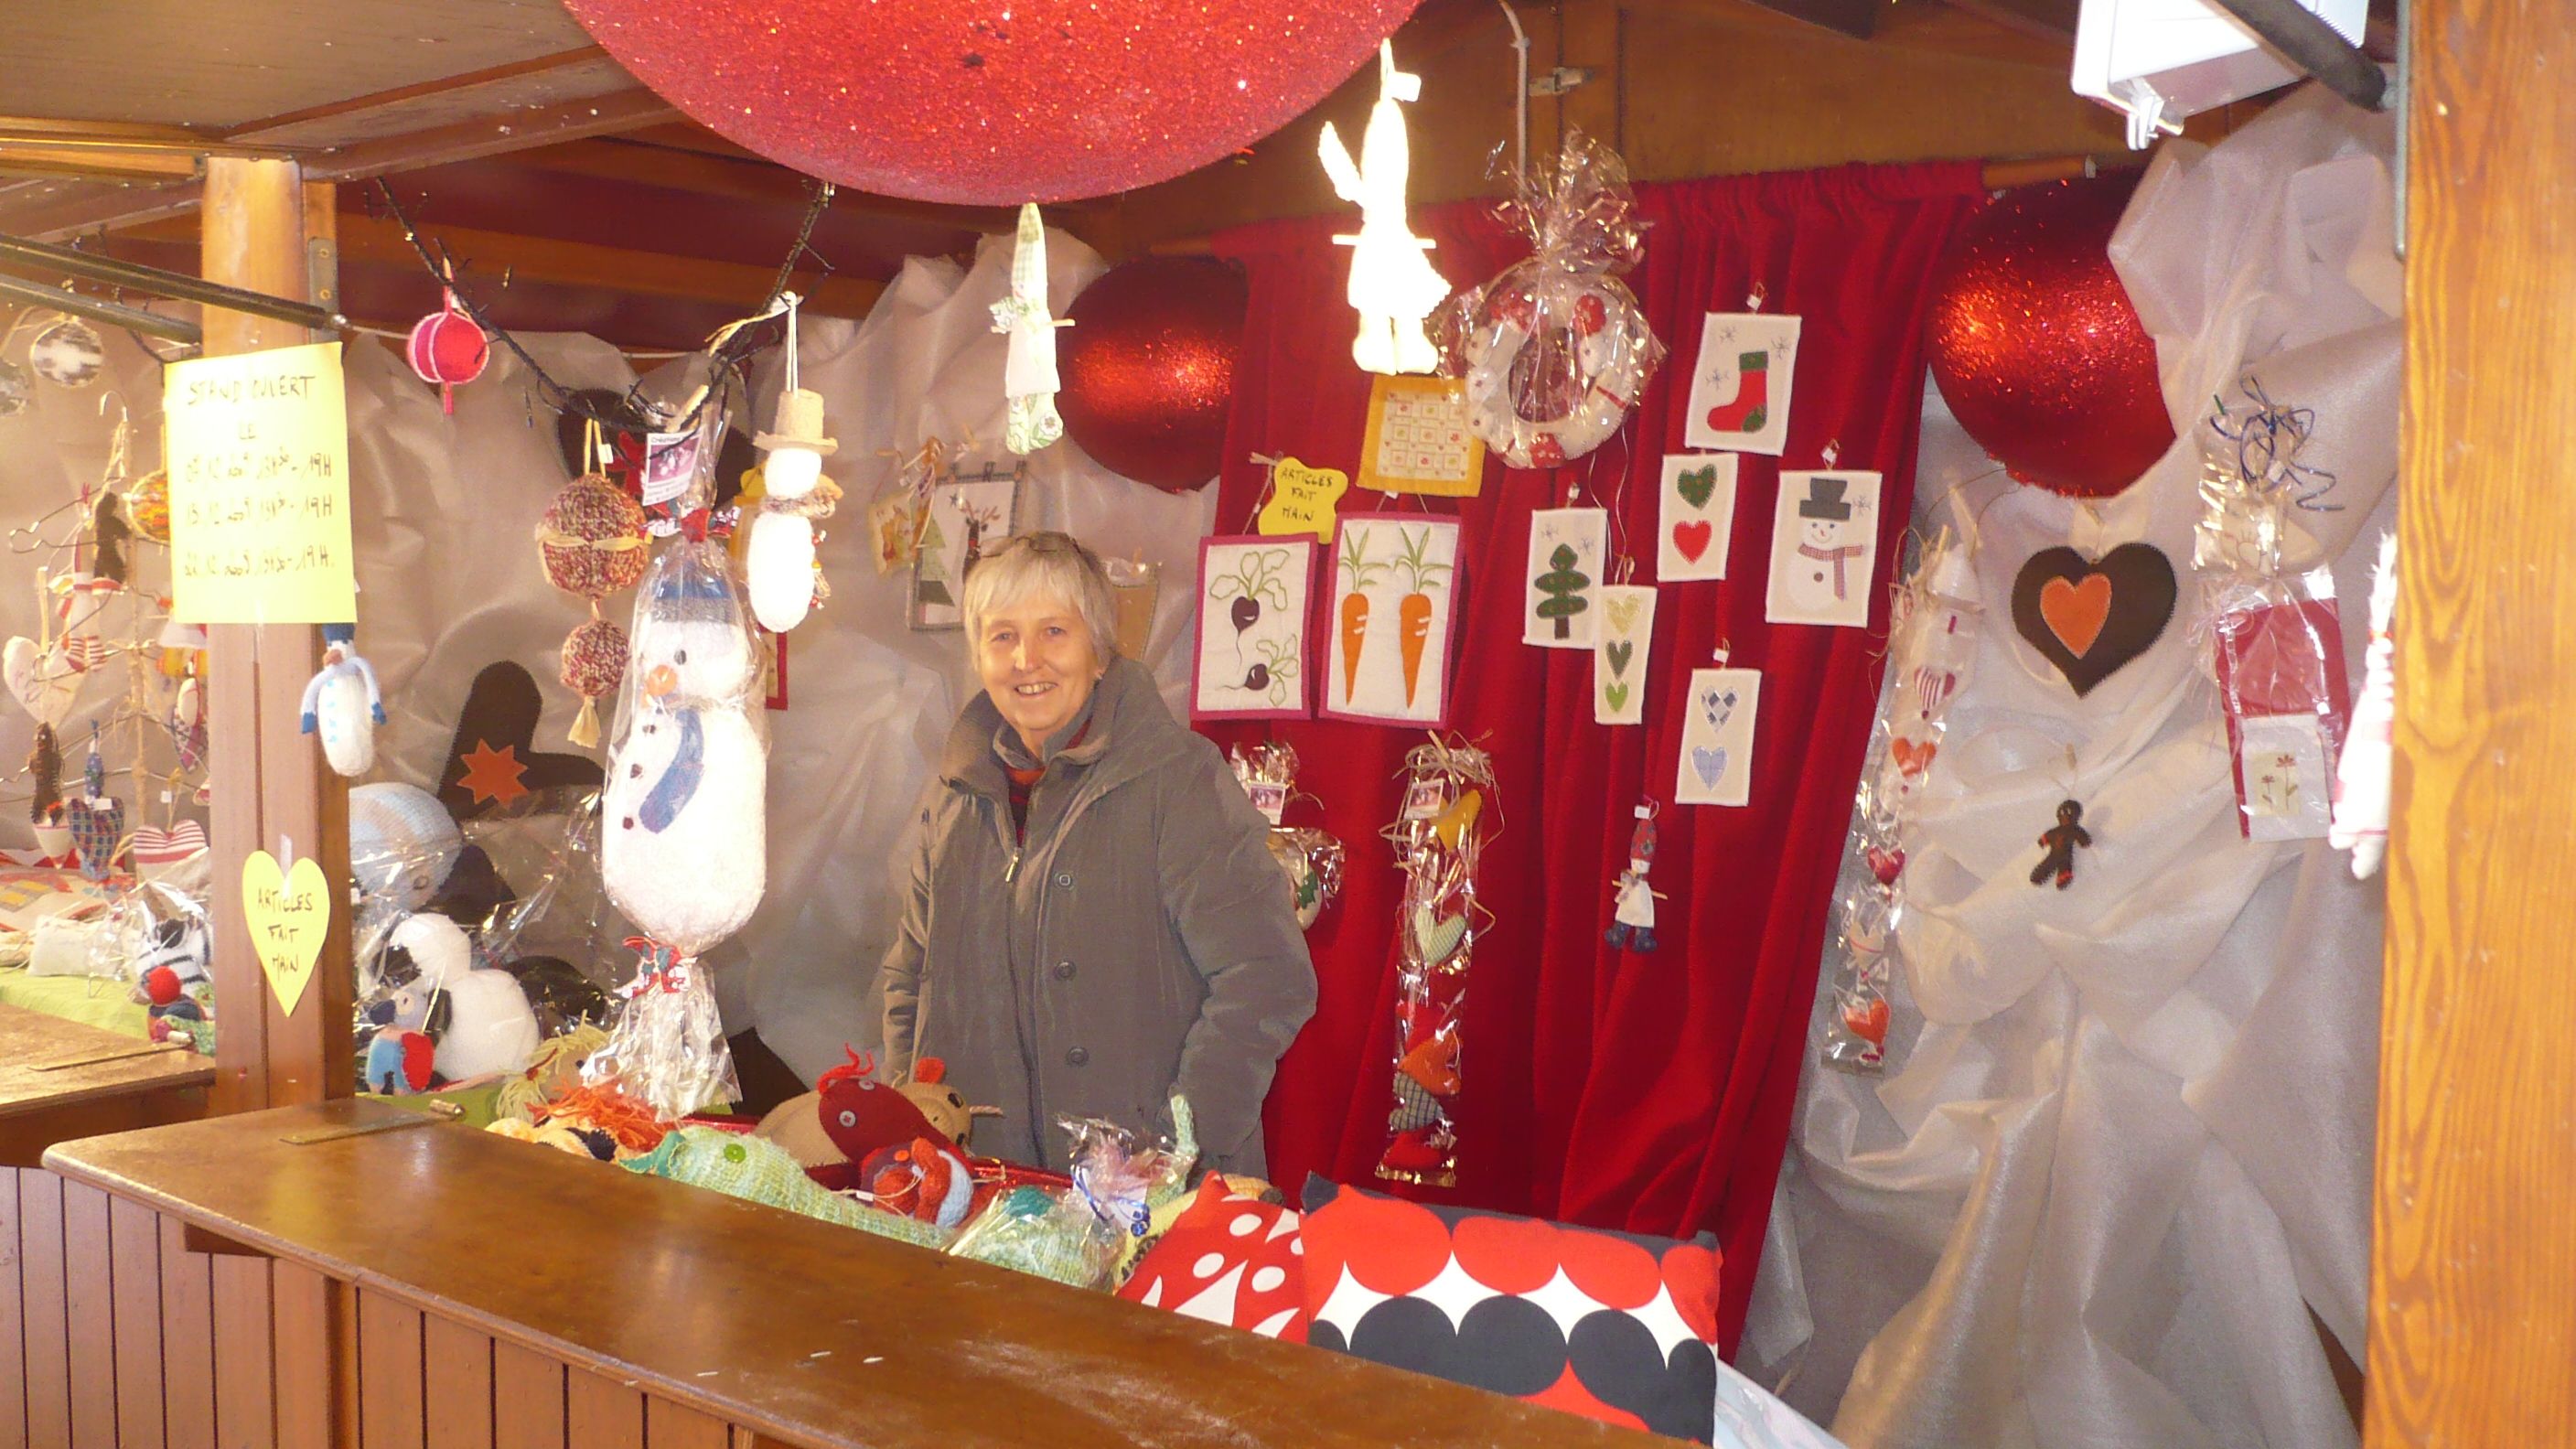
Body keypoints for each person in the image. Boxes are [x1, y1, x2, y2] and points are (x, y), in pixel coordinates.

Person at [878, 531, 1315, 1177]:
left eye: (1054, 631)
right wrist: (913, 1126)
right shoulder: (954, 799)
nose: (1027, 659)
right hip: (982, 1195)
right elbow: (907, 979)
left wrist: (1176, 1149)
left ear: (1100, 649)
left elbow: (1267, 976)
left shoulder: (1178, 780)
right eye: (1002, 636)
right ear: (978, 654)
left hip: (1152, 1202)